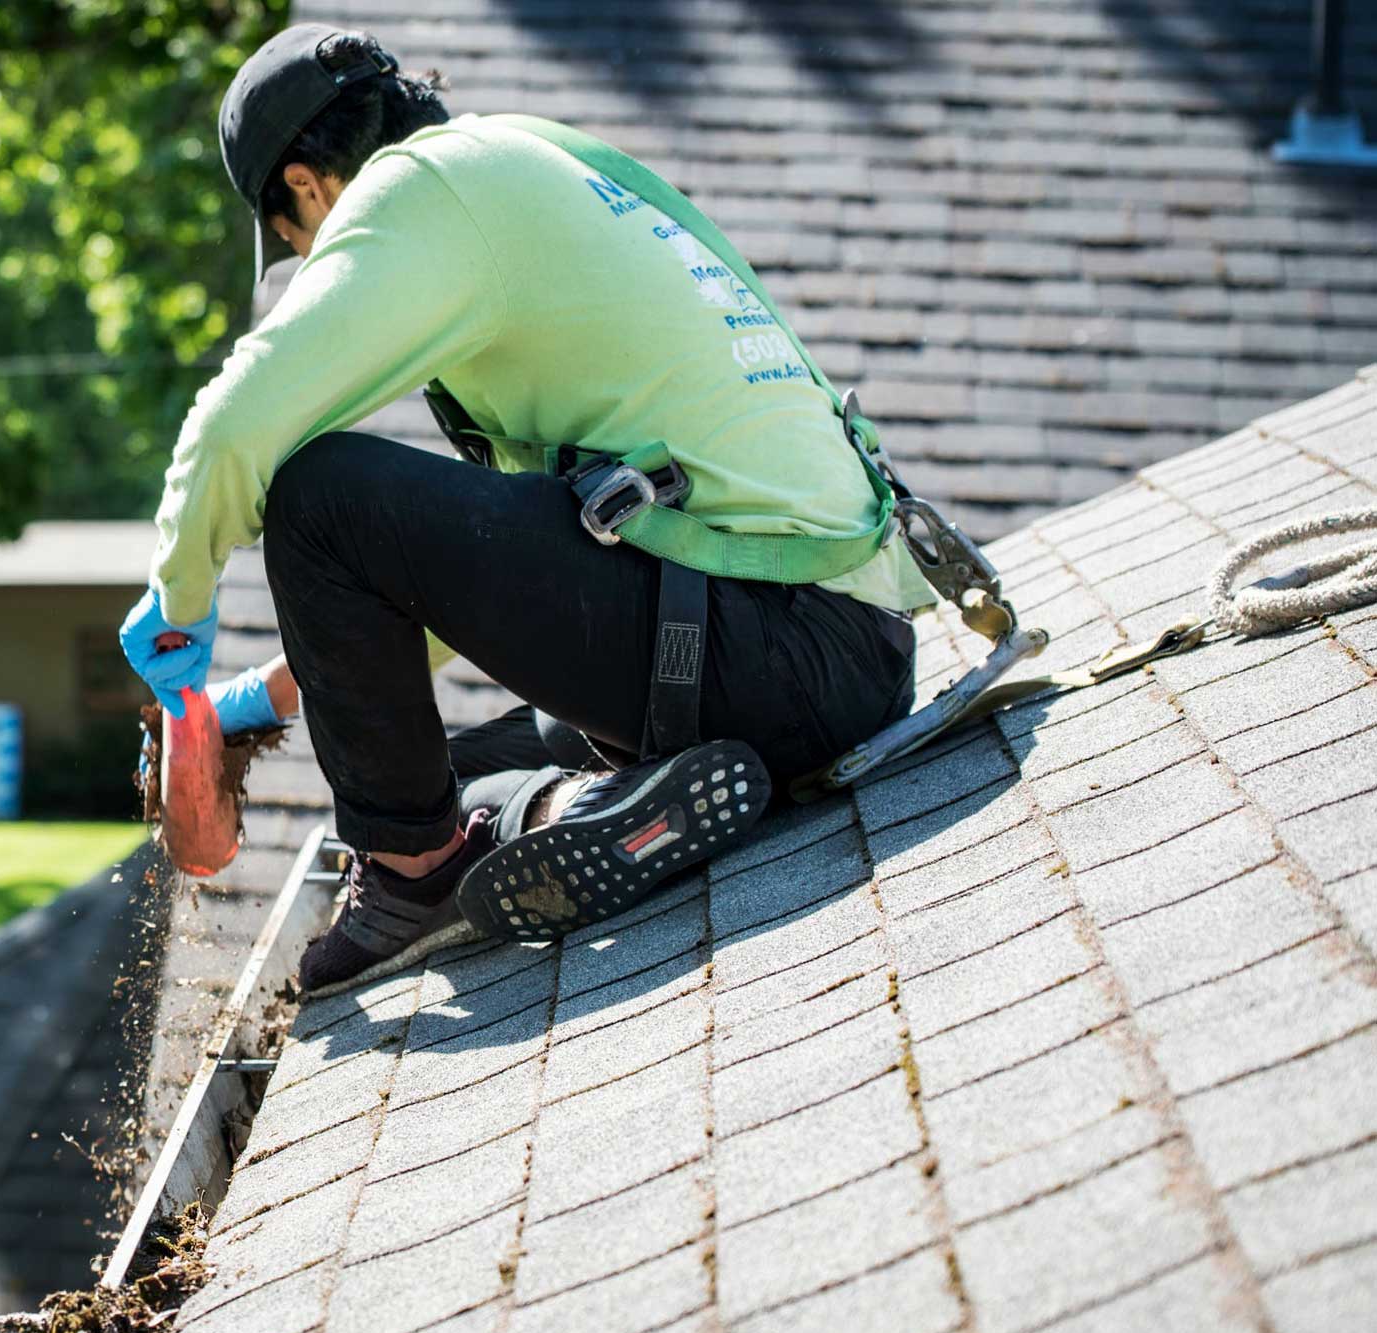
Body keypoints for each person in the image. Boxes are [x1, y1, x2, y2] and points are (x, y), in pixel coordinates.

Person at [119, 24, 932, 997]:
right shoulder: (534, 162)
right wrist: (265, 701)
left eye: (293, 247)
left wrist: (178, 613)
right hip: (848, 650)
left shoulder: (417, 195)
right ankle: (568, 806)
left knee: (317, 495)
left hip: (769, 648)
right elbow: (497, 580)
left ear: (304, 184)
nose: (307, 263)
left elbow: (231, 430)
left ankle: (420, 874)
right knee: (444, 761)